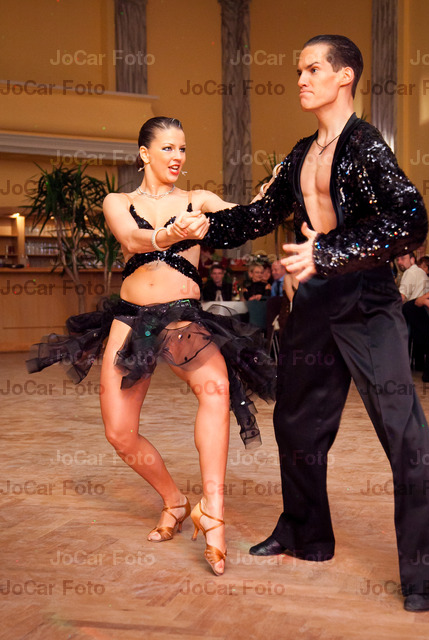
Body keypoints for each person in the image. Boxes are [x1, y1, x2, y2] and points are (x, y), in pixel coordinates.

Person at [201, 35, 429, 610]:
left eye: (313, 69)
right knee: (296, 422)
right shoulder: (301, 153)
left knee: (403, 431)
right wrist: (202, 224)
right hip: (316, 300)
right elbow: (259, 214)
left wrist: (328, 251)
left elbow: (410, 219)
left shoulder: (366, 146)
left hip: (366, 300)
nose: (301, 79)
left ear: (345, 76)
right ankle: (305, 534)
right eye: (299, 70)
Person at [27, 116, 276, 576]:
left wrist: (271, 193)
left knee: (217, 389)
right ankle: (175, 501)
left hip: (182, 317)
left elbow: (244, 217)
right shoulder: (118, 201)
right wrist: (168, 234)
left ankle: (213, 513)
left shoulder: (198, 200)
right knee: (119, 432)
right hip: (131, 319)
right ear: (144, 153)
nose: (177, 156)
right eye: (168, 148)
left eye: (182, 148)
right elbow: (130, 237)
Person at [396, 252, 429, 381]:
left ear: (412, 260)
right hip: (425, 316)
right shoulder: (420, 272)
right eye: (398, 259)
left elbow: (401, 298)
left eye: (403, 258)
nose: (399, 262)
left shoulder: (410, 272)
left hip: (415, 313)